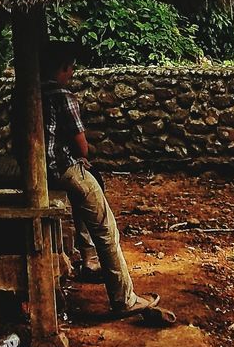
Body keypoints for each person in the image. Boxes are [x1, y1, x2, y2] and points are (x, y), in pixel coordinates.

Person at [39, 41, 159, 317]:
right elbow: (82, 147)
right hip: (62, 168)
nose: (72, 73)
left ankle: (90, 261)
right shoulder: (62, 95)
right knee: (106, 226)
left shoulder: (27, 94)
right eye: (70, 68)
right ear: (64, 68)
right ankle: (123, 298)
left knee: (89, 192)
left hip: (39, 170)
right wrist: (82, 155)